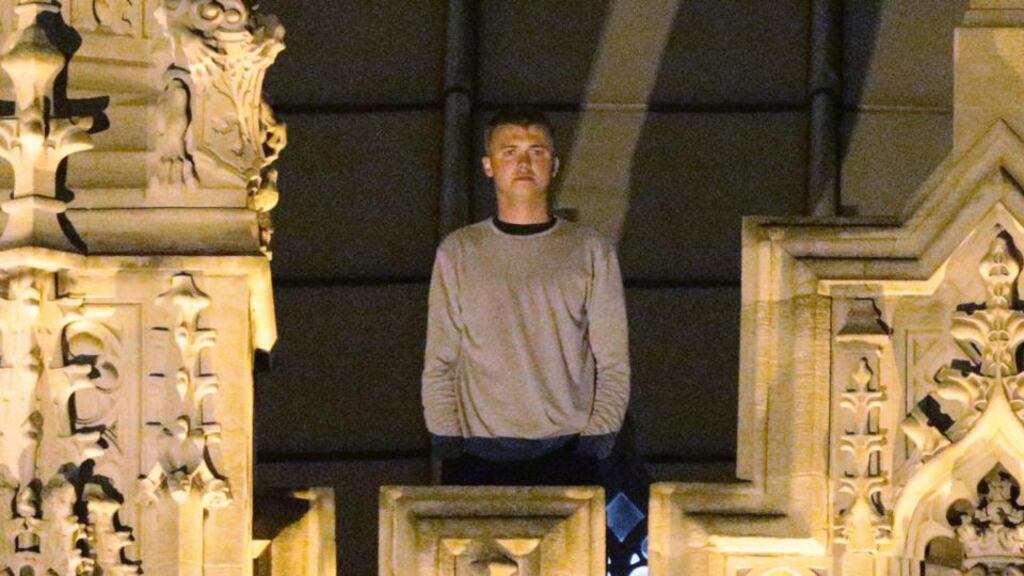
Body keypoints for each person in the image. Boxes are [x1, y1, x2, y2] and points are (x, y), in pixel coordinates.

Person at [421, 105, 631, 485]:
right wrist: (447, 440)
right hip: (477, 453)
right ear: (488, 166)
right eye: (510, 151)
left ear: (554, 165)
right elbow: (440, 358)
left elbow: (612, 359)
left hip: (567, 451)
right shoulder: (459, 251)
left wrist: (597, 439)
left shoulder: (590, 250)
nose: (523, 162)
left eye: (537, 151)